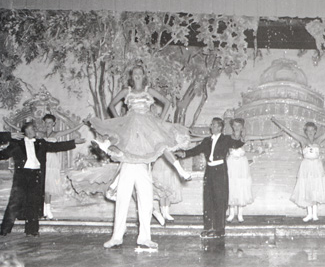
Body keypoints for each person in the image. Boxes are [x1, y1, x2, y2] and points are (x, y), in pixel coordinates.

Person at [89, 65, 191, 250]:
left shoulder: (148, 92)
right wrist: (120, 121)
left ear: (144, 76)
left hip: (143, 162)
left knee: (146, 199)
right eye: (134, 73)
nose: (137, 75)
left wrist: (159, 120)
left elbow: (167, 102)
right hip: (128, 162)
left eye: (140, 73)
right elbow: (111, 105)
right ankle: (116, 237)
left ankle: (144, 238)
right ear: (132, 76)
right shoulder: (126, 92)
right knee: (122, 199)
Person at [0, 120, 80, 237]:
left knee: (33, 202)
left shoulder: (41, 143)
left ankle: (32, 230)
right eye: (33, 128)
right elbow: (3, 154)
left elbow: (56, 146)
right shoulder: (16, 144)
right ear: (26, 130)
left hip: (36, 176)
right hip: (22, 176)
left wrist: (73, 142)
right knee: (14, 202)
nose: (35, 131)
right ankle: (4, 230)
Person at [175, 117, 244, 238]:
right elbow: (196, 150)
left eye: (213, 125)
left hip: (220, 170)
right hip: (209, 170)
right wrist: (184, 153)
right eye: (211, 125)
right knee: (208, 199)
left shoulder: (226, 139)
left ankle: (219, 229)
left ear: (220, 127)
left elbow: (237, 143)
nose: (211, 127)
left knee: (220, 199)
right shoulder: (207, 140)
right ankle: (208, 228)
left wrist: (238, 131)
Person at [270, 116, 325, 222]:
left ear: (315, 131)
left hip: (316, 167)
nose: (310, 132)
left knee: (315, 188)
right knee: (307, 188)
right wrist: (276, 121)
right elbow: (288, 131)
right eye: (308, 130)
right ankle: (309, 214)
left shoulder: (318, 140)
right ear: (305, 131)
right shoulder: (302, 140)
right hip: (306, 167)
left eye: (312, 130)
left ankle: (315, 214)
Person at [226, 118, 281, 223]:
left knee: (241, 186)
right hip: (231, 163)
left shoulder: (245, 137)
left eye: (239, 125)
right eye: (235, 125)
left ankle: (240, 213)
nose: (236, 127)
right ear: (232, 126)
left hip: (241, 164)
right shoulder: (227, 138)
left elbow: (261, 136)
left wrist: (276, 135)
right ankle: (231, 214)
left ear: (242, 127)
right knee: (231, 185)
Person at [39, 113, 85, 220]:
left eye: (50, 122)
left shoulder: (56, 134)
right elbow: (25, 131)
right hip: (42, 160)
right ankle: (44, 210)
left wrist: (83, 123)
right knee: (42, 186)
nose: (48, 124)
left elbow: (72, 130)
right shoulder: (40, 134)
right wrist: (10, 126)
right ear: (44, 123)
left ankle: (47, 210)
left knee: (49, 186)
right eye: (46, 122)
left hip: (51, 161)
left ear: (54, 123)